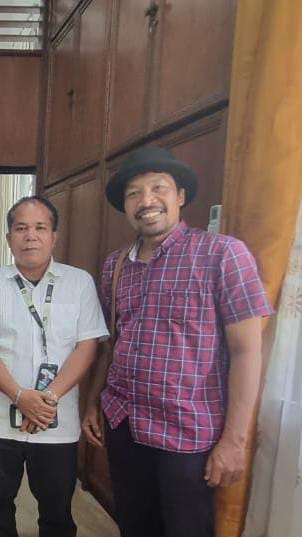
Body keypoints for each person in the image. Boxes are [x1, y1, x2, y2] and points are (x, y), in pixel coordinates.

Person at [82, 147, 273, 537]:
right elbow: (111, 343)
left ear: (180, 196)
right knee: (134, 526)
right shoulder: (115, 265)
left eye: (158, 188)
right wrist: (92, 402)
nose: (146, 200)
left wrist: (235, 441)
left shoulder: (223, 255)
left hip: (187, 435)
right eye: (134, 193)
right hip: (124, 422)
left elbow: (247, 351)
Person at [0, 196, 108, 537]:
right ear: (8, 238)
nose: (30, 236)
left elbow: (87, 346)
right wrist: (20, 396)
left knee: (57, 512)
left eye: (39, 228)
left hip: (56, 421)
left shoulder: (79, 284)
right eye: (21, 228)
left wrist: (46, 399)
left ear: (54, 236)